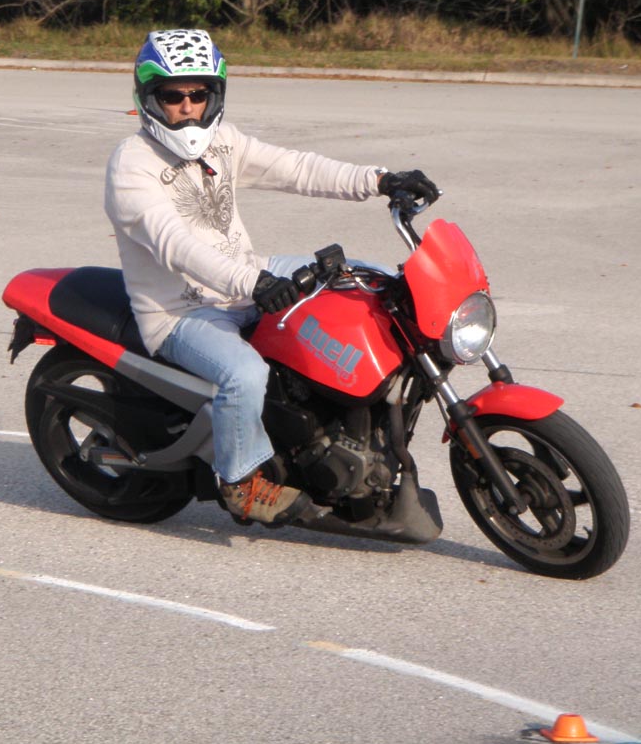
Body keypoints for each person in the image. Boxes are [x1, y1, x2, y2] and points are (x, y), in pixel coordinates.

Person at [104, 28, 438, 527]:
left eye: (199, 94)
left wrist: (380, 180)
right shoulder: (131, 165)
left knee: (366, 278)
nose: (188, 108)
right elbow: (174, 245)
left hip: (245, 277)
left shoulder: (222, 142)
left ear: (215, 95)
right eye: (173, 96)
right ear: (149, 98)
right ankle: (240, 482)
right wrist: (253, 283)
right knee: (244, 374)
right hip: (180, 311)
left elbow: (295, 168)